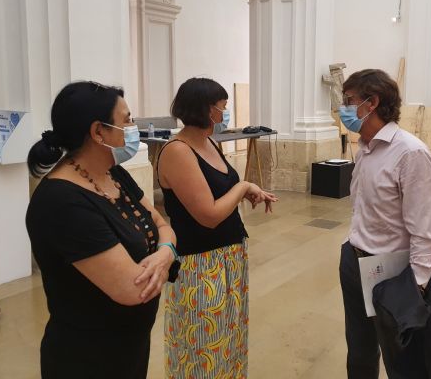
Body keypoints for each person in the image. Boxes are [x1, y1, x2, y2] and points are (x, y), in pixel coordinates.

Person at [26, 81, 177, 379]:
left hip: (129, 346)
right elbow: (134, 289)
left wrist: (164, 254)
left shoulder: (114, 174)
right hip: (88, 357)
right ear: (98, 132)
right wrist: (167, 253)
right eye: (127, 120)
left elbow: (161, 224)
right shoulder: (63, 202)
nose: (133, 128)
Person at [158, 77, 277, 378]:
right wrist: (244, 186)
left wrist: (244, 191)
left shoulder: (208, 142)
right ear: (207, 109)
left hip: (229, 257)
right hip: (200, 265)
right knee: (203, 348)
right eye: (223, 107)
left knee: (229, 341)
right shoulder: (177, 150)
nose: (225, 113)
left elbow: (218, 188)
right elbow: (208, 215)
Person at [337, 69, 431, 378]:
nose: (343, 108)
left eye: (349, 100)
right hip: (354, 260)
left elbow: (423, 231)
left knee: (403, 360)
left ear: (371, 103)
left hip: (393, 272)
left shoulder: (410, 153)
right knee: (360, 351)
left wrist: (416, 289)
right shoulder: (365, 147)